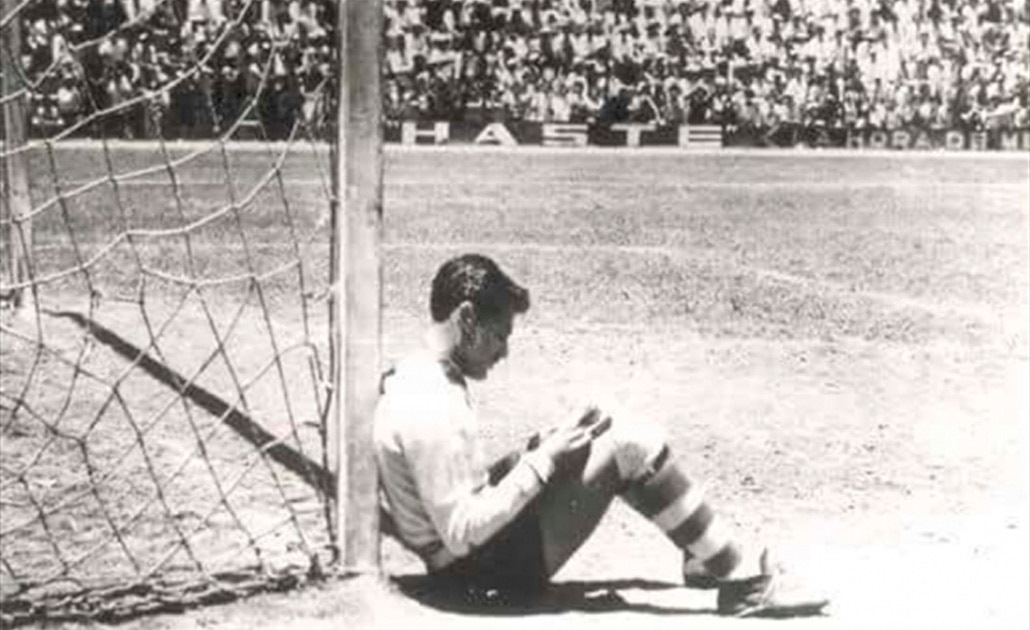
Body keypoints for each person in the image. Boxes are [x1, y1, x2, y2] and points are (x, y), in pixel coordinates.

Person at [373, 253, 831, 618]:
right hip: (476, 580)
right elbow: (462, 532)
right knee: (631, 444)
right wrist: (542, 462)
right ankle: (742, 581)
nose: (505, 351)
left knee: (598, 430)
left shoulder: (421, 376)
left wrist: (538, 451)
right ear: (467, 318)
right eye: (499, 335)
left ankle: (701, 555)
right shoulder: (432, 402)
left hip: (466, 566)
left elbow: (454, 495)